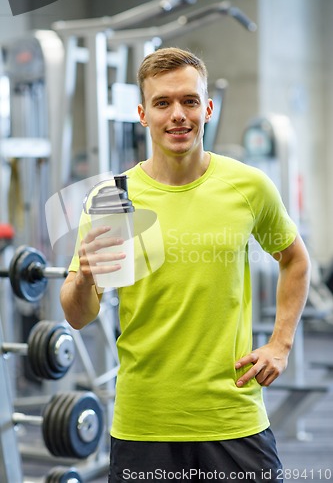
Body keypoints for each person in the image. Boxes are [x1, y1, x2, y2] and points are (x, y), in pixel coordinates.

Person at [60, 47, 311, 482]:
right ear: (143, 114)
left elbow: (295, 260)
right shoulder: (112, 199)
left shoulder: (248, 186)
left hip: (233, 417)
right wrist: (84, 275)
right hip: (145, 422)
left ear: (207, 108)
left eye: (189, 101)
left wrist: (280, 344)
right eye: (163, 103)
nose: (178, 114)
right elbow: (77, 316)